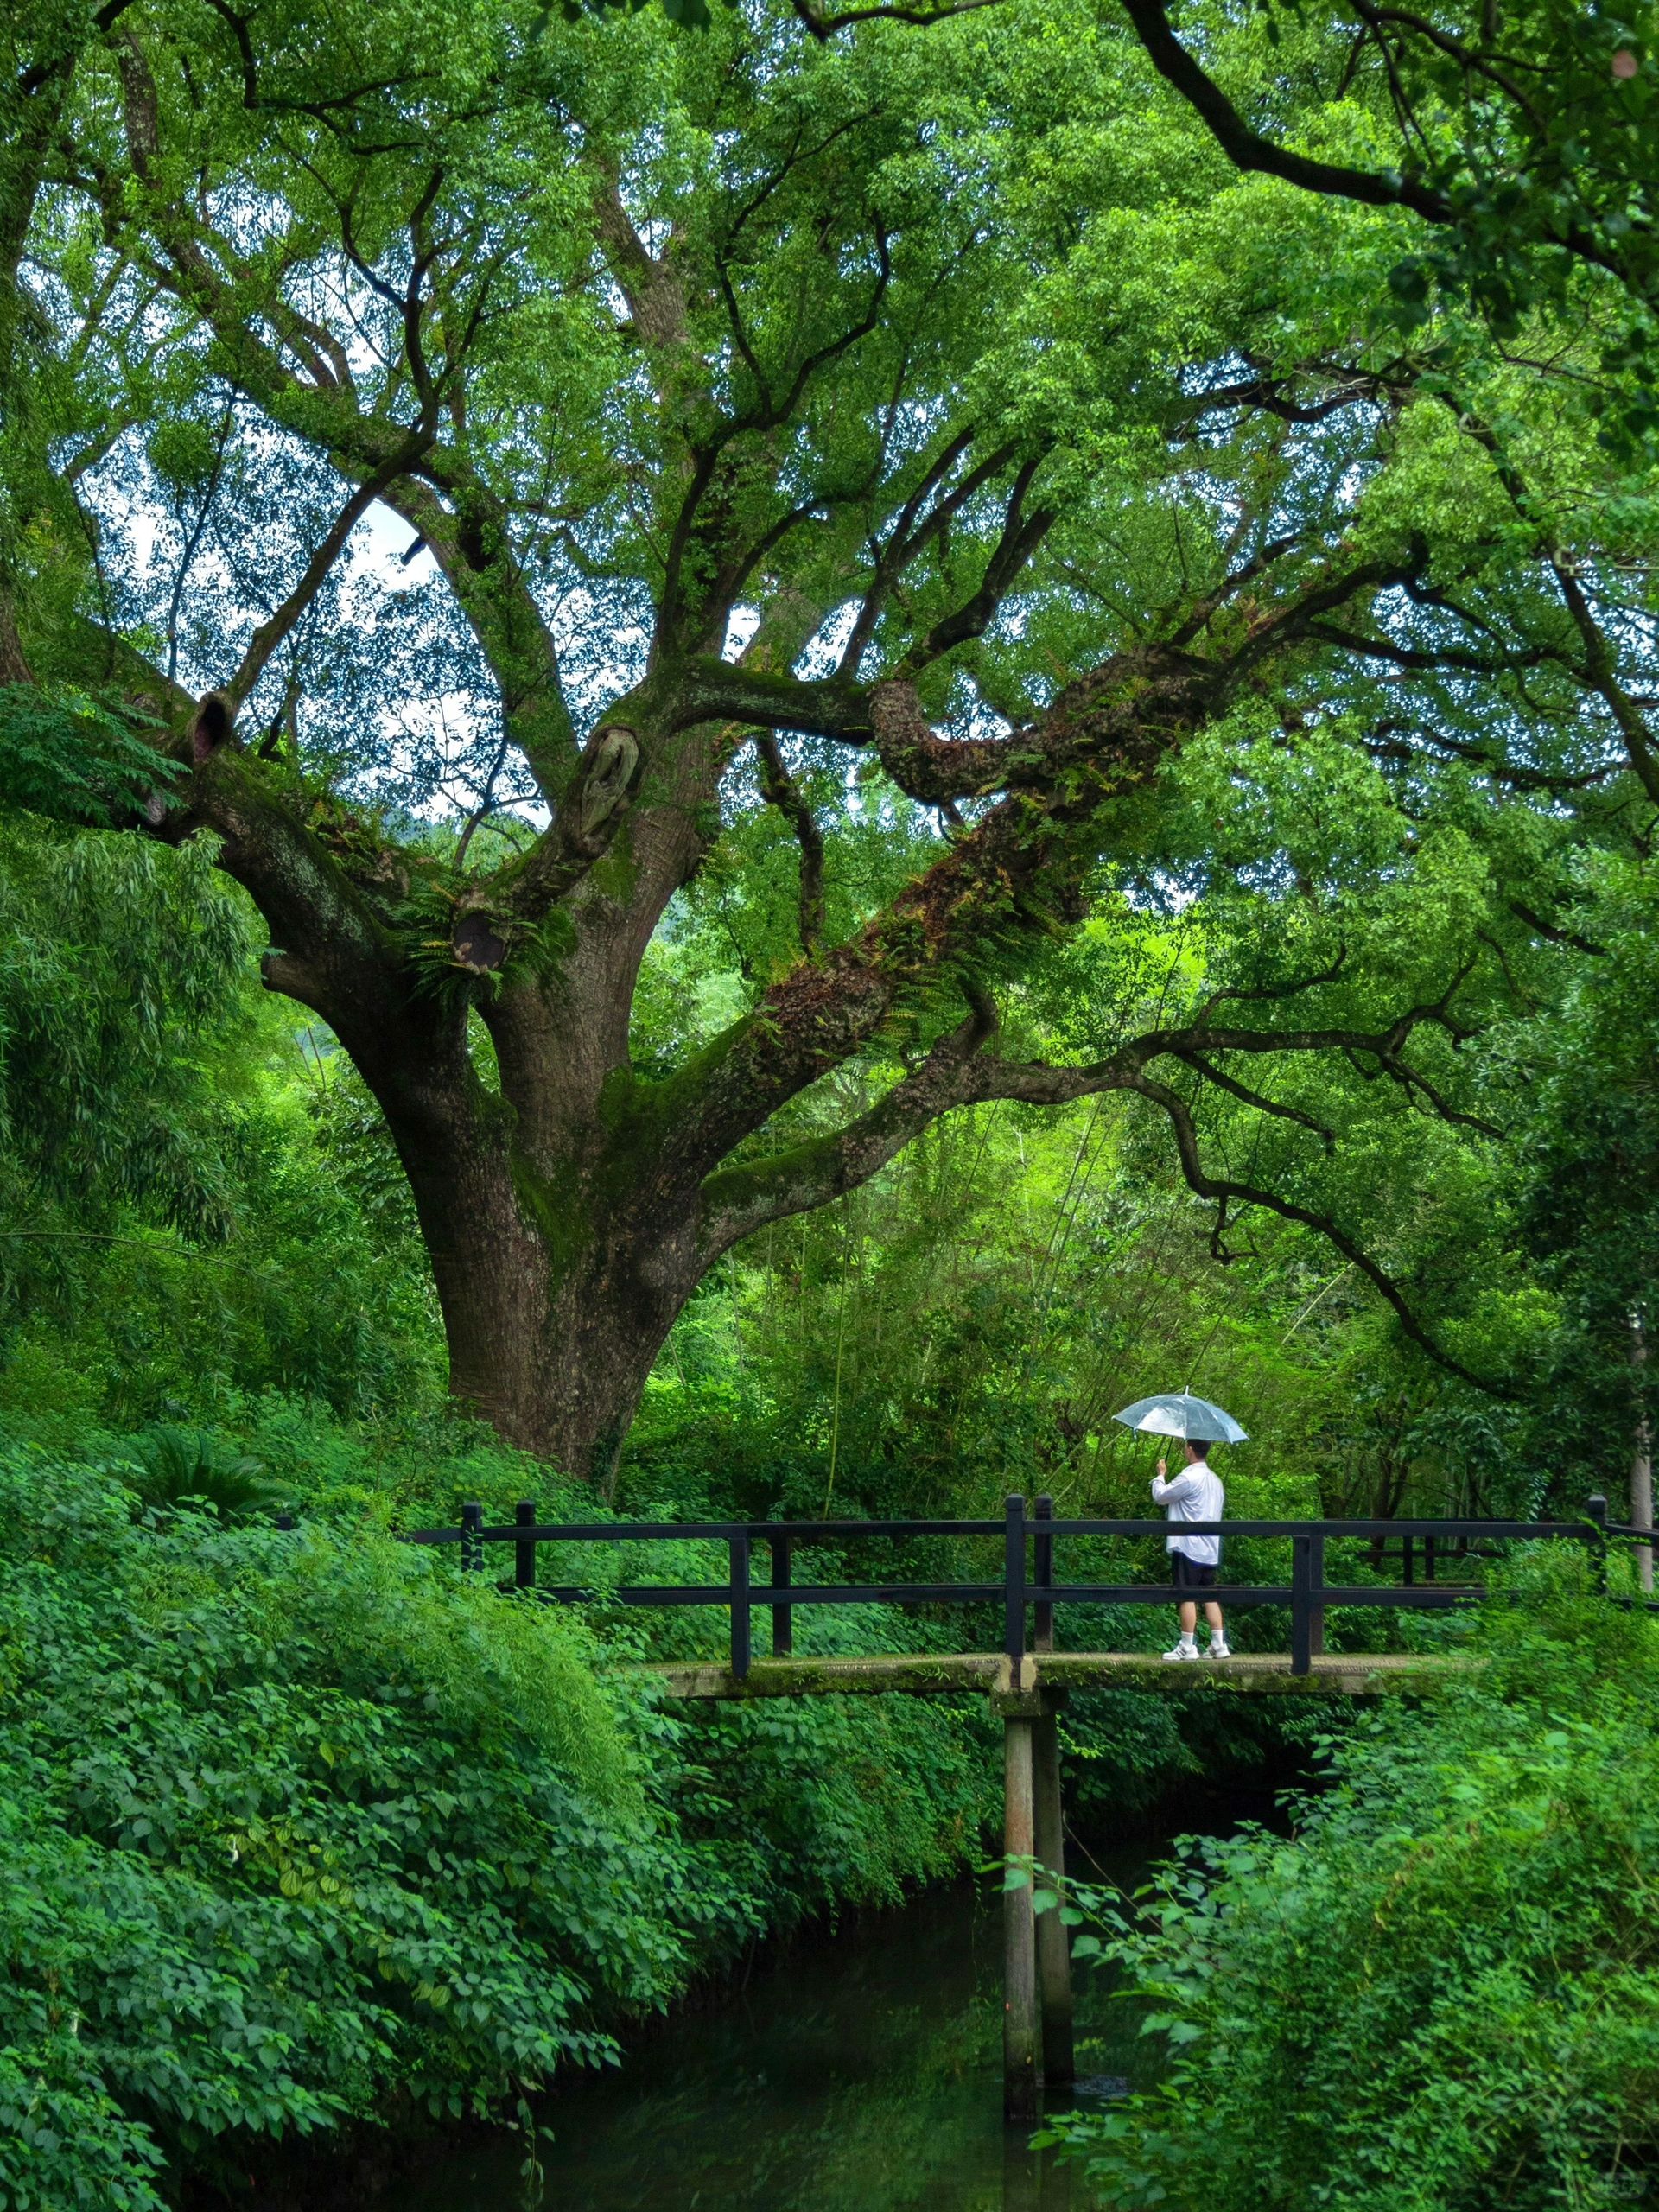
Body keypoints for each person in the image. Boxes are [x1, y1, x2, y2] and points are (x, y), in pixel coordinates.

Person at [1153, 1440, 1230, 1661]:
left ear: (1190, 1450)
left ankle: (1187, 1646)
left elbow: (1161, 1496)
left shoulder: (1189, 1476)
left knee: (1186, 1594)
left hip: (1188, 1546)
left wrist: (1160, 1475)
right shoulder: (1215, 1481)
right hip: (1210, 1547)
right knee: (1209, 1593)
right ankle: (1218, 1643)